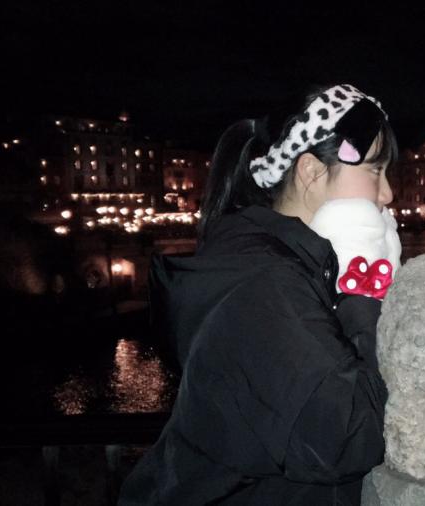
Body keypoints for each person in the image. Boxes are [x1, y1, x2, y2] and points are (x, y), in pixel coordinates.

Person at [118, 84, 400, 505]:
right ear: (310, 171)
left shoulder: (289, 267)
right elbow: (345, 438)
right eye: (375, 171)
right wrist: (363, 288)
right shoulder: (264, 283)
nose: (387, 193)